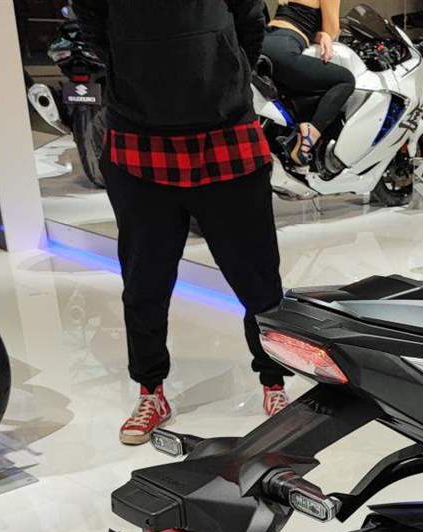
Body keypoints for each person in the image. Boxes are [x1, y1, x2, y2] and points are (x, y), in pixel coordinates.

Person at [73, 0, 289, 445]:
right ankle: (150, 391)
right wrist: (135, 69)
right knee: (144, 282)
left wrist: (223, 71)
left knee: (258, 279)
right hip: (138, 137)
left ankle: (275, 383)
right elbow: (94, 26)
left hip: (226, 129)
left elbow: (250, 22)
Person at [262, 0, 356, 165]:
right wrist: (326, 34)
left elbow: (299, 22)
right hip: (285, 47)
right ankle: (308, 137)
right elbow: (332, 30)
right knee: (346, 80)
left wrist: (320, 35)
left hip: (265, 40)